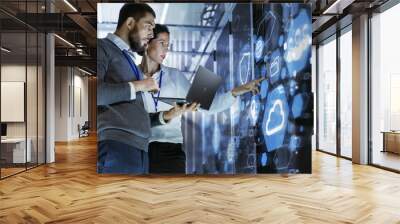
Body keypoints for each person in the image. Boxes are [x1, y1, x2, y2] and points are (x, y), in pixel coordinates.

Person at [138, 24, 263, 174]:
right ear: (147, 43)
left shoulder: (175, 76)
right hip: (139, 150)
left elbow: (209, 105)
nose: (166, 49)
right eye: (162, 43)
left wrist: (237, 91)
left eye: (168, 45)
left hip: (171, 151)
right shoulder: (131, 77)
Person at [97, 4, 178, 174]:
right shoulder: (103, 48)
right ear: (130, 23)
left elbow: (132, 114)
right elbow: (96, 94)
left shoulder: (129, 61)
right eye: (148, 26)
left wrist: (165, 116)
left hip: (139, 149)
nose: (151, 33)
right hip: (117, 147)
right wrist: (141, 85)